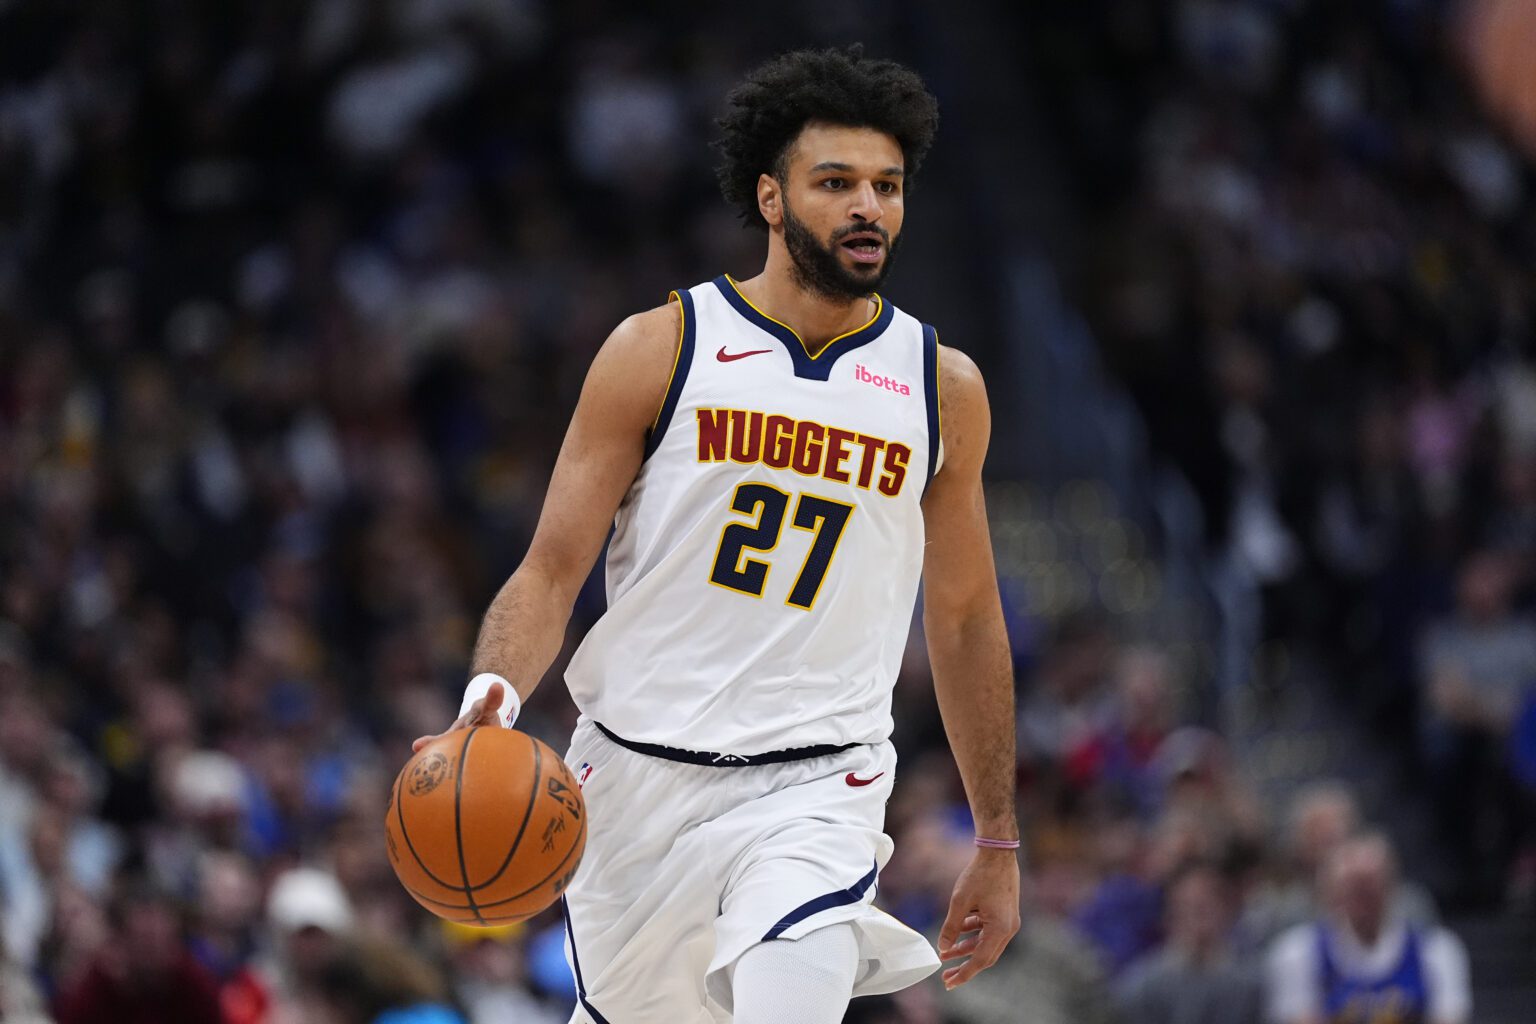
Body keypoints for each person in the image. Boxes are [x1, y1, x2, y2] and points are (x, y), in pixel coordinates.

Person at [412, 45, 1020, 1024]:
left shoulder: (941, 387)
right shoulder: (659, 350)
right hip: (637, 780)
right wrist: (492, 690)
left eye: (887, 186)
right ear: (772, 199)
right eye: (837, 183)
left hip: (821, 783)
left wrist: (997, 834)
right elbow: (551, 569)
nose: (869, 205)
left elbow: (963, 618)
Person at [1266, 834, 1471, 1024]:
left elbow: (1449, 1016)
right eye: (1353, 888)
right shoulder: (1298, 952)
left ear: (1391, 887)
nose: (1362, 899)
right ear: (1331, 891)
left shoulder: (1436, 950)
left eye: (1370, 887)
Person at [1114, 861, 1264, 1024]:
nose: (1196, 920)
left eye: (1205, 908)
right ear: (1169, 915)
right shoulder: (1142, 986)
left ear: (1226, 911)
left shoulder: (1250, 982)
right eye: (1186, 908)